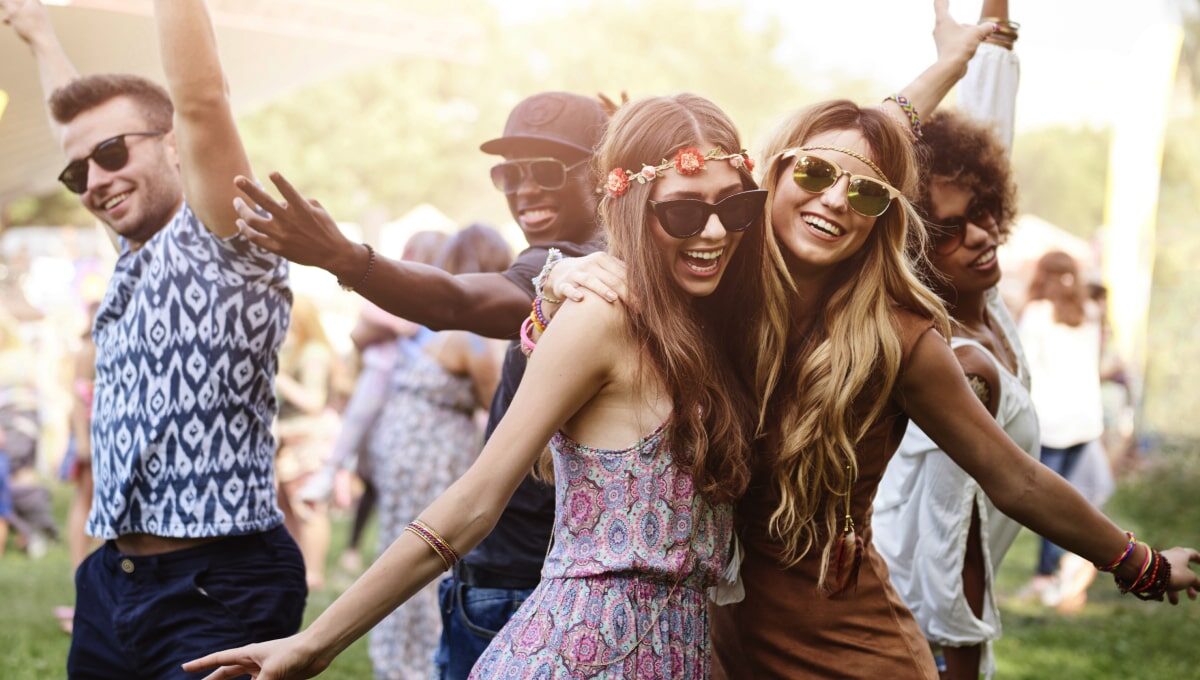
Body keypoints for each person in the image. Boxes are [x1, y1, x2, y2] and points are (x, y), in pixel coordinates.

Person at [185, 92, 774, 679]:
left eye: (736, 206)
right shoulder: (602, 311)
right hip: (578, 657)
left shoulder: (711, 325)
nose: (716, 230)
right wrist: (316, 642)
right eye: (684, 212)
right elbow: (472, 501)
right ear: (629, 205)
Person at [225, 89, 609, 677]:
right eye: (510, 172)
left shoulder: (573, 270)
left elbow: (456, 299)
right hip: (533, 573)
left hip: (517, 583)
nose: (524, 189)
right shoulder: (617, 262)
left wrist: (345, 258)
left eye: (548, 170)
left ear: (605, 173)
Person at [2, 1, 304, 676]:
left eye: (113, 154)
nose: (96, 181)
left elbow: (200, 96)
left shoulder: (227, 241)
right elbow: (76, 130)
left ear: (174, 143)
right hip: (115, 580)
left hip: (222, 585)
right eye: (80, 173)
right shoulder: (137, 252)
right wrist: (40, 35)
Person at [872, 4, 1034, 676]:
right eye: (951, 229)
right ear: (912, 245)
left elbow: (988, 133)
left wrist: (980, 44)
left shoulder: (984, 301)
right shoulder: (954, 357)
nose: (982, 235)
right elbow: (949, 539)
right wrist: (963, 660)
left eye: (987, 212)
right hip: (930, 637)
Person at [367, 224, 511, 680]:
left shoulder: (444, 321)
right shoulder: (478, 335)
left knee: (401, 544)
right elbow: (500, 413)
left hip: (403, 438)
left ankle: (398, 657)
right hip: (431, 449)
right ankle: (421, 661)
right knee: (431, 550)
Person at [305, 230, 450, 577]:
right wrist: (397, 323)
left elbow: (404, 325)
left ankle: (337, 483)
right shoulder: (396, 284)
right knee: (358, 427)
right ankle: (331, 473)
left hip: (407, 392)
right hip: (382, 373)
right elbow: (373, 327)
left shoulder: (436, 290)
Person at [1019, 250, 1107, 595]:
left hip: (1051, 421)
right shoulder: (1090, 313)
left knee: (1047, 503)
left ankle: (1051, 572)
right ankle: (1068, 563)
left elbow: (1022, 367)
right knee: (1074, 497)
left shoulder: (1037, 314)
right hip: (1085, 419)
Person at [276, 296, 340, 591]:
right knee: (288, 508)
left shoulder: (313, 352)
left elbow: (313, 402)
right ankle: (294, 567)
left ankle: (313, 574)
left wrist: (278, 378)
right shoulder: (293, 349)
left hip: (308, 443)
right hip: (289, 441)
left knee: (309, 507)